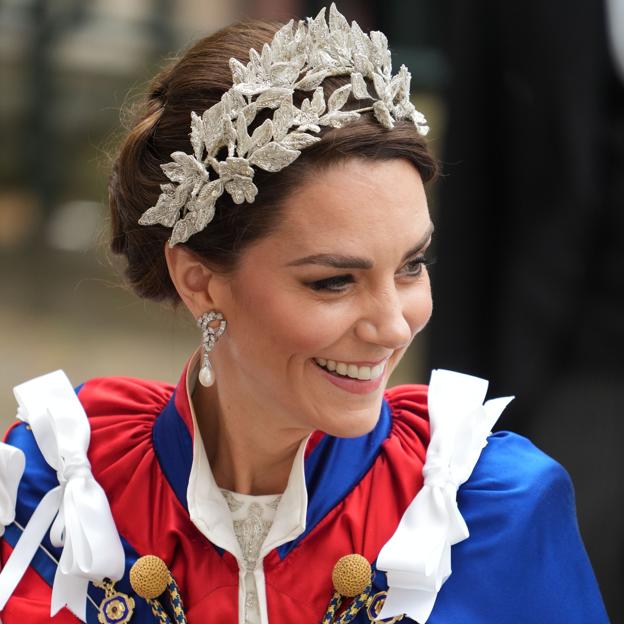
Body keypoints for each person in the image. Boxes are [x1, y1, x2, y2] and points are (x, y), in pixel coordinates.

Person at [0, 4, 609, 624]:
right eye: (334, 282)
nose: (394, 326)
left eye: (411, 265)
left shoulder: (487, 507)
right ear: (199, 281)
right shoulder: (59, 492)